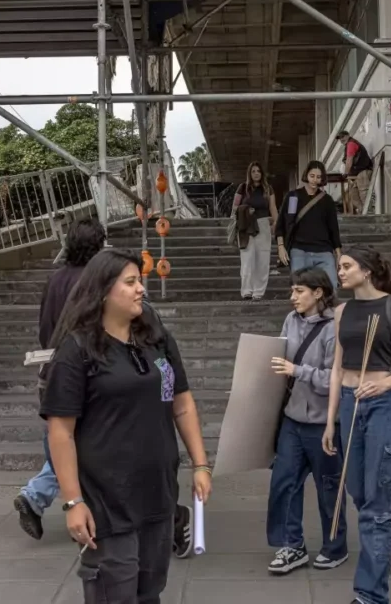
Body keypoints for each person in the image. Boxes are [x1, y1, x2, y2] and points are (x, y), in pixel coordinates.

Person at [42, 249, 212, 604]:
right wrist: (73, 501)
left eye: (140, 281)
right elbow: (61, 432)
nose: (140, 289)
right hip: (107, 499)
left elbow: (182, 403)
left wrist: (200, 464)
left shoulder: (156, 338)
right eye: (131, 282)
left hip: (157, 494)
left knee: (150, 592)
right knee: (114, 593)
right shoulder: (77, 351)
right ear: (104, 290)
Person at [322, 246, 391, 604]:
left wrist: (385, 383)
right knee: (359, 492)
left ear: (366, 271)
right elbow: (337, 368)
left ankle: (369, 595)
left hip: (384, 404)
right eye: (339, 267)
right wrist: (331, 420)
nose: (341, 272)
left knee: (377, 505)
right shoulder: (341, 312)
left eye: (347, 266)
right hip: (351, 403)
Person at [14, 218, 107, 539]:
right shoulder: (97, 282)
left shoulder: (55, 280)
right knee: (88, 444)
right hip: (86, 371)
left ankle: (43, 498)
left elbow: (44, 326)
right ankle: (51, 500)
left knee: (62, 438)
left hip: (51, 369)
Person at [266, 267, 347, 574]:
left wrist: (297, 371)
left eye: (299, 291)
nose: (293, 297)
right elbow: (281, 361)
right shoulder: (291, 320)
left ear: (318, 292)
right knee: (284, 482)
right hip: (293, 419)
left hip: (325, 423)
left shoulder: (334, 327)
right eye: (292, 290)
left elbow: (335, 379)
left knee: (329, 488)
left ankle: (335, 546)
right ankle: (292, 546)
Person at [275, 160, 341, 293]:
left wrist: (338, 253)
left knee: (331, 288)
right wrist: (281, 247)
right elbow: (283, 223)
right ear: (306, 175)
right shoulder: (293, 197)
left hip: (324, 251)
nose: (314, 180)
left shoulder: (327, 200)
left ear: (322, 179)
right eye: (312, 176)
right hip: (299, 251)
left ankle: (328, 314)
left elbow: (333, 227)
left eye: (318, 177)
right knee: (301, 290)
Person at [233, 162, 279, 300]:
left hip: (263, 224)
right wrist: (245, 210)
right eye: (253, 171)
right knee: (247, 259)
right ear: (249, 173)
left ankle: (258, 292)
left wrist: (276, 223)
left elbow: (273, 207)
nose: (256, 173)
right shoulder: (243, 187)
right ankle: (246, 290)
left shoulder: (268, 188)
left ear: (262, 173)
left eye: (258, 171)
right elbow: (234, 207)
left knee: (263, 260)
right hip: (246, 226)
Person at [337, 131, 373, 215]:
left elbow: (349, 160)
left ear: (348, 136)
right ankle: (362, 212)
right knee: (353, 195)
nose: (341, 139)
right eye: (340, 138)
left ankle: (369, 213)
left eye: (343, 137)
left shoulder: (351, 144)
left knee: (364, 194)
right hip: (357, 174)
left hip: (363, 171)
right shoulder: (348, 145)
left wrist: (346, 174)